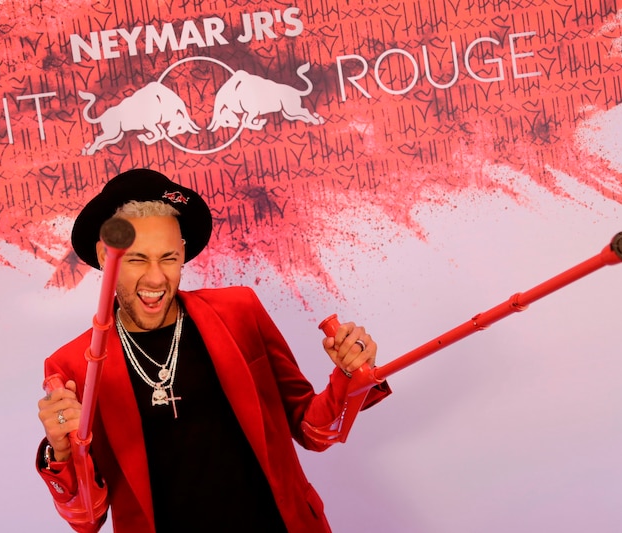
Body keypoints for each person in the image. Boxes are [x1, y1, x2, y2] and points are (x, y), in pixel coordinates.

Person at [35, 168, 391, 532]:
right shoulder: (72, 366)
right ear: (105, 255)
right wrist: (62, 451)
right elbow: (87, 518)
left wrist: (351, 376)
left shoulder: (240, 312)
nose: (156, 278)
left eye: (168, 258)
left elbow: (314, 431)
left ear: (182, 253)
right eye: (137, 259)